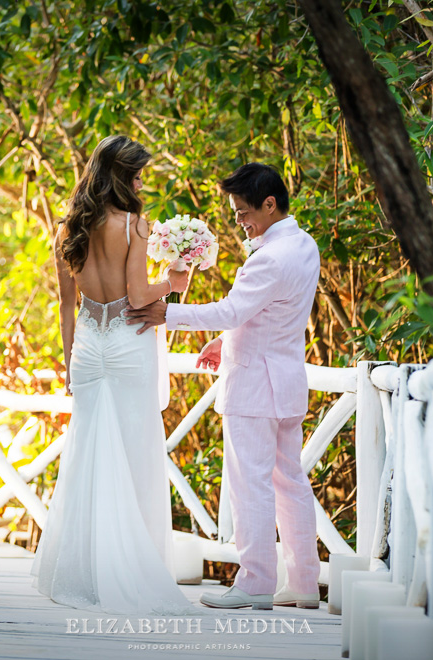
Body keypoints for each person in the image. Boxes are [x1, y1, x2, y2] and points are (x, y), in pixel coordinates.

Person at [126, 163, 322, 610]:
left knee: (250, 483)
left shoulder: (269, 255)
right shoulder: (303, 244)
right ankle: (304, 582)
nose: (238, 221)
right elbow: (275, 311)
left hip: (255, 385)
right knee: (290, 481)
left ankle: (255, 583)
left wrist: (167, 314)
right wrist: (225, 338)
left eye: (242, 211)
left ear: (270, 205)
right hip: (287, 380)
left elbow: (233, 310)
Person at [30, 135, 196, 615]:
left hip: (87, 349)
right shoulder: (134, 226)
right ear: (122, 177)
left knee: (87, 456)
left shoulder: (66, 230)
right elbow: (140, 296)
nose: (143, 182)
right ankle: (130, 570)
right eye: (139, 174)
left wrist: (68, 361)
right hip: (127, 346)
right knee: (134, 453)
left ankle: (83, 571)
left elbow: (66, 306)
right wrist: (175, 281)